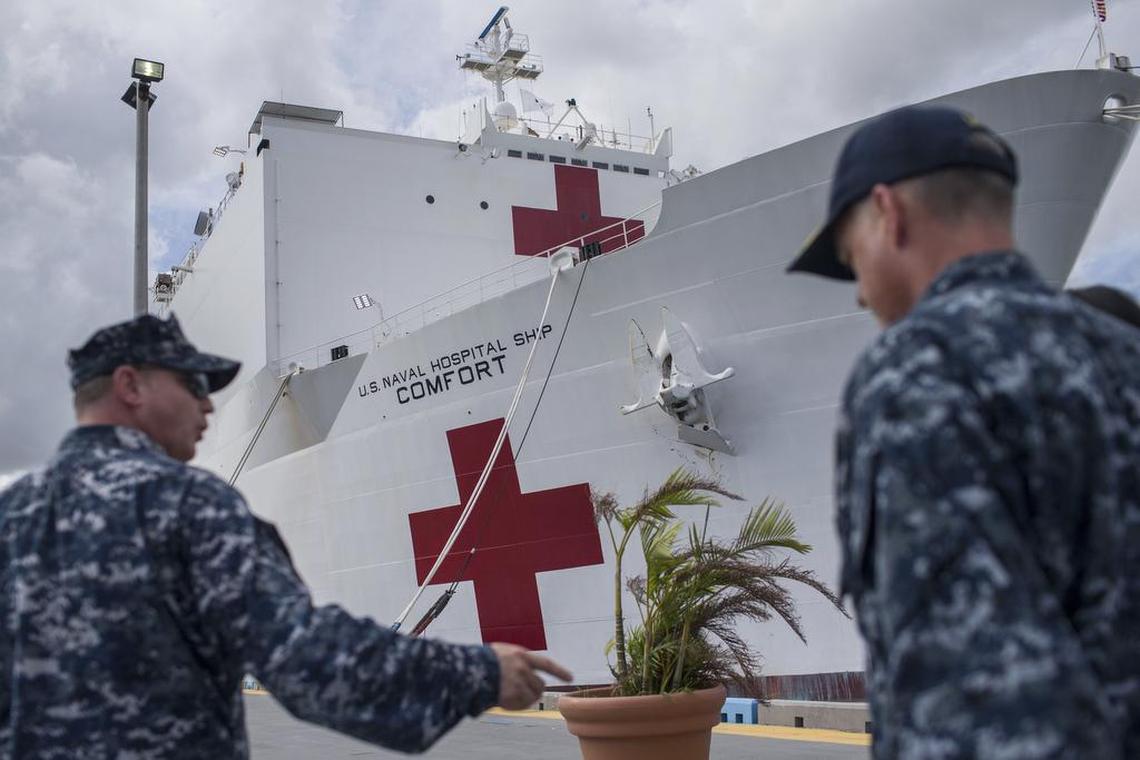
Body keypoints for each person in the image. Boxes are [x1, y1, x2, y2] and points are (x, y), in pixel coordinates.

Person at [0, 313, 570, 758]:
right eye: (193, 383)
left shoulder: (11, 515)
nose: (207, 404)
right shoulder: (186, 505)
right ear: (130, 384)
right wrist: (477, 674)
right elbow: (306, 659)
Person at [788, 106, 1140, 758]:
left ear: (888, 213)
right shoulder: (1125, 349)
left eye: (849, 255)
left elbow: (972, 704)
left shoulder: (918, 369)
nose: (860, 293)